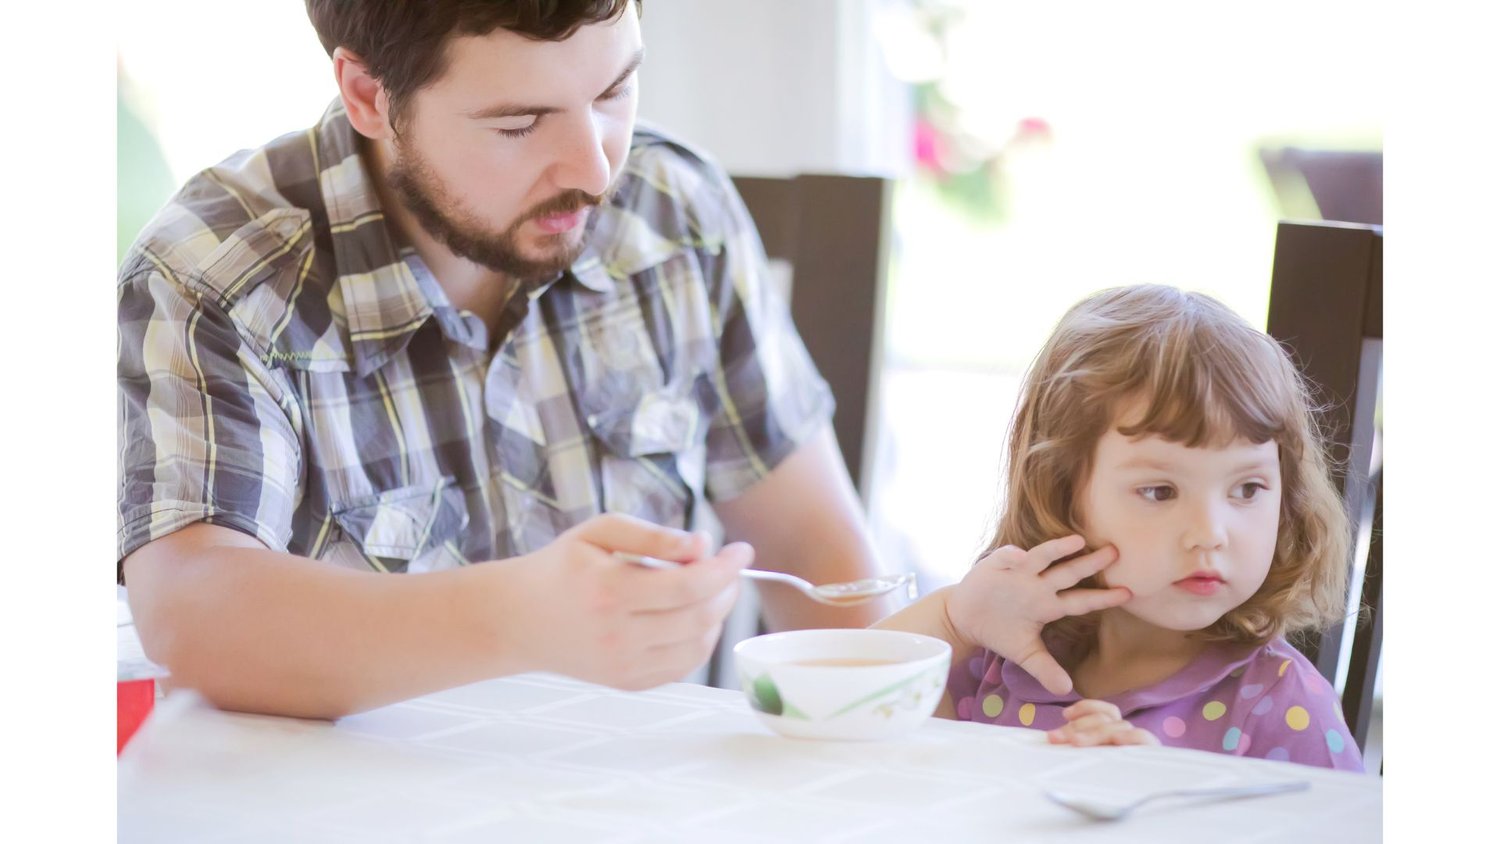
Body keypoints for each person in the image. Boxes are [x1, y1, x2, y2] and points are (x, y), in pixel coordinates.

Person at [117, 0, 886, 719]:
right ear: (367, 95)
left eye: (615, 92)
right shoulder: (218, 277)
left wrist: (934, 651)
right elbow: (192, 618)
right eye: (520, 123)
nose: (593, 171)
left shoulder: (672, 209)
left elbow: (825, 574)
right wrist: (517, 617)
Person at [876, 285, 1363, 771]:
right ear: (1062, 492)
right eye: (1160, 491)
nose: (1210, 533)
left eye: (1248, 489)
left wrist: (1165, 807)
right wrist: (953, 621)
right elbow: (829, 718)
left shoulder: (1281, 706)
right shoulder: (994, 656)